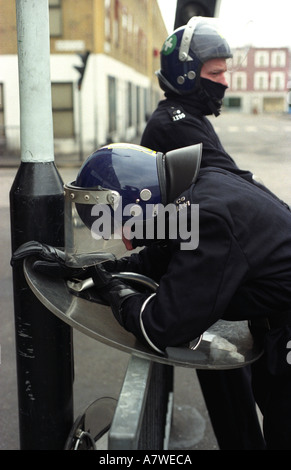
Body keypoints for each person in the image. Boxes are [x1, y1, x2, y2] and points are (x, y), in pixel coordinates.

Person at [12, 143, 291, 450]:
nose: (123, 236)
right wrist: (85, 266)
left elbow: (162, 325)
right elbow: (156, 262)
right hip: (276, 326)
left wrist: (114, 291)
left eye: (119, 225)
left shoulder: (207, 217)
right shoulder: (198, 191)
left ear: (138, 201)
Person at [140, 16, 266, 450]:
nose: (225, 82)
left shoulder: (188, 116)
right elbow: (230, 181)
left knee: (237, 379)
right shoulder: (176, 123)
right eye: (215, 73)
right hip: (200, 269)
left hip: (205, 261)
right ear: (188, 75)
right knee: (229, 382)